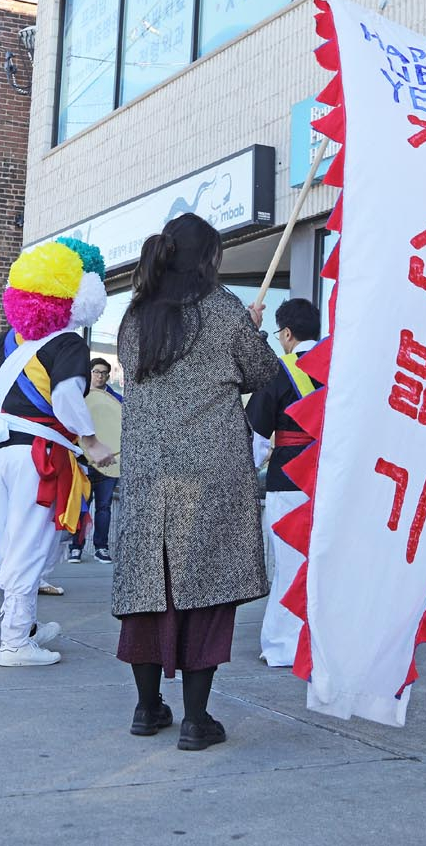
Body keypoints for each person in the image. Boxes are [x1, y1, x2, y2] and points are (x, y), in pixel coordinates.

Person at [111, 214, 280, 751]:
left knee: (146, 590)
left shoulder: (134, 316)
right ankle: (195, 719)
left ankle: (145, 708)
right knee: (206, 591)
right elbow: (263, 375)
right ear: (208, 258)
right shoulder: (224, 310)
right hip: (209, 476)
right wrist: (251, 328)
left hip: (146, 474)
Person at [0, 238, 115, 667]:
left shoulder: (10, 341)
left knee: (13, 542)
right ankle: (15, 642)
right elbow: (67, 398)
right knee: (32, 545)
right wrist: (91, 440)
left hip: (2, 450)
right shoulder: (68, 344)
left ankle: (22, 624)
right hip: (40, 455)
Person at [245, 298, 322, 668]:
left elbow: (257, 440)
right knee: (325, 563)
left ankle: (282, 645)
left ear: (287, 333)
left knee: (291, 564)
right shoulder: (341, 370)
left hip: (289, 478)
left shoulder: (277, 371)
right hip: (332, 481)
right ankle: (322, 643)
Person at [68, 358, 123, 563]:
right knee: (81, 505)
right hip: (82, 460)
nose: (100, 375)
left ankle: (101, 547)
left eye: (104, 372)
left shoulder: (117, 400)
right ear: (89, 373)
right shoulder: (78, 398)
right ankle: (76, 547)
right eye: (96, 371)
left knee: (104, 506)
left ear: (108, 376)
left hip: (108, 461)